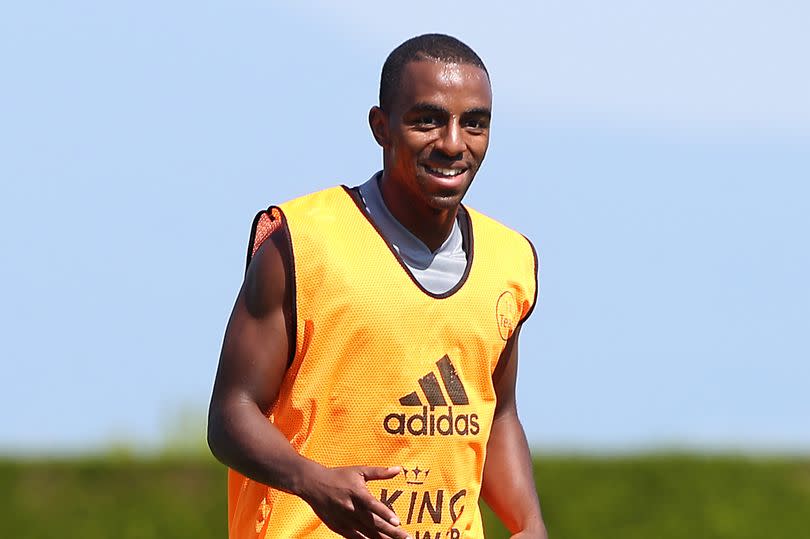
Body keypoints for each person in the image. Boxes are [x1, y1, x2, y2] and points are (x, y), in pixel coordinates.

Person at [208, 33, 549, 539]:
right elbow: (231, 414)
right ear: (381, 126)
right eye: (427, 120)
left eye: (474, 123)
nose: (454, 142)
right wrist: (313, 482)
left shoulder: (510, 260)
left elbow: (496, 414)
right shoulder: (301, 242)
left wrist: (528, 524)